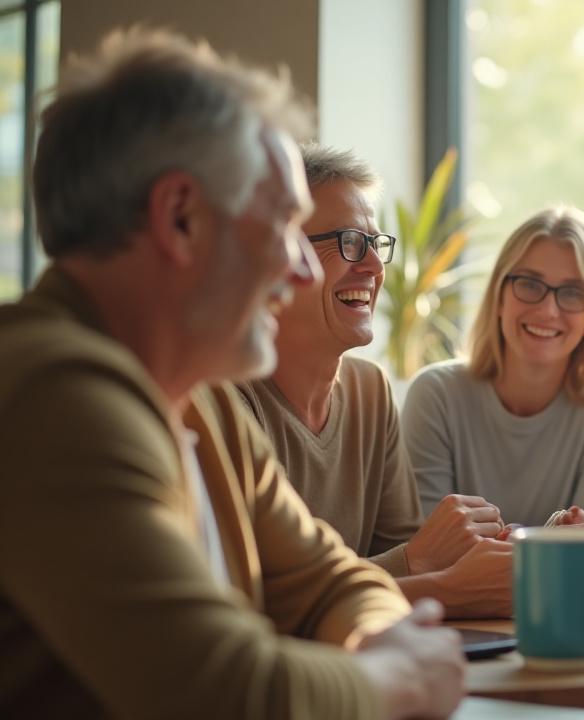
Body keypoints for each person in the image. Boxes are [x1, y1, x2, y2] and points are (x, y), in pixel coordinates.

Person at [0, 30, 463, 719]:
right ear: (180, 217)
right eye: (283, 225)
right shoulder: (51, 394)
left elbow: (327, 580)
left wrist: (384, 637)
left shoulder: (200, 398)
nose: (303, 268)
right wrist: (397, 678)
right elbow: (223, 692)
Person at [238, 143, 511, 618]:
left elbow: (408, 558)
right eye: (348, 242)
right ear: (280, 256)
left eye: (375, 244)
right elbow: (258, 604)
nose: (372, 267)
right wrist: (431, 573)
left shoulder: (369, 390)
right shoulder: (228, 401)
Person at [401, 205, 584, 529]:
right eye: (530, 284)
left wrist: (492, 542)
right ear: (499, 297)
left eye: (572, 293)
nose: (547, 310)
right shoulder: (435, 394)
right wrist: (547, 541)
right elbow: (426, 550)